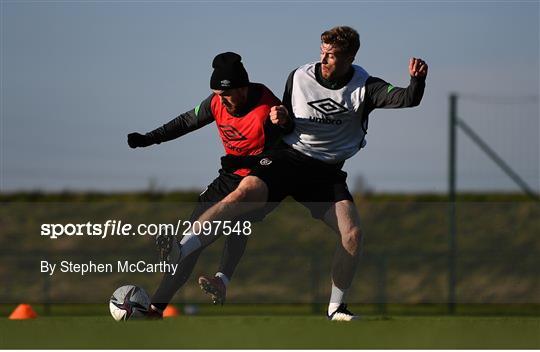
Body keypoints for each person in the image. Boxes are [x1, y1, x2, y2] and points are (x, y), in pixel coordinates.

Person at [165, 26, 428, 321]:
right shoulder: (299, 76)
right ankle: (181, 247)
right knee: (243, 193)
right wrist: (282, 119)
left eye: (332, 55)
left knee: (352, 234)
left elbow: (407, 98)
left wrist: (416, 82)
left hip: (325, 174)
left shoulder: (366, 86)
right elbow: (286, 123)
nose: (324, 59)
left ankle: (336, 308)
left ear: (350, 57)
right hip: (288, 159)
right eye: (322, 52)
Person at [127, 52, 292, 316]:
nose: (221, 100)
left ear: (242, 88)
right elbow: (185, 122)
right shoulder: (216, 102)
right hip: (229, 176)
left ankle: (218, 276)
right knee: (192, 234)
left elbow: (292, 137)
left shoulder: (267, 107)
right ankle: (157, 308)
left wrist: (285, 121)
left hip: (263, 180)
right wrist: (150, 138)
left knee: (231, 218)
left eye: (225, 94)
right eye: (216, 93)